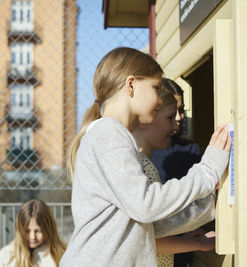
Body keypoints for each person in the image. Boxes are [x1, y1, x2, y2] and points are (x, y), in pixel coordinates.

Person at [60, 47, 231, 266]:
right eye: (155, 88)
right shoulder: (109, 133)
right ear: (131, 85)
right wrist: (206, 172)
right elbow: (147, 205)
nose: (160, 100)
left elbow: (146, 224)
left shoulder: (108, 134)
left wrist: (210, 206)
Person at [132, 87, 217, 267]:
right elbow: (146, 238)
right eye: (170, 117)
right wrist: (197, 243)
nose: (178, 120)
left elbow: (153, 232)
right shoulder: (139, 166)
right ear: (147, 119)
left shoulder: (142, 162)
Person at [151, 78, 205, 267]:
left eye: (182, 110)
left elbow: (197, 203)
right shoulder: (143, 154)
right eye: (173, 112)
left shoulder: (190, 150)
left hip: (183, 247)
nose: (180, 117)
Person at [0, 199, 66, 267]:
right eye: (27, 231)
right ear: (20, 230)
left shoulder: (61, 256)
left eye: (38, 231)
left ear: (48, 228)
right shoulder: (6, 257)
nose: (32, 237)